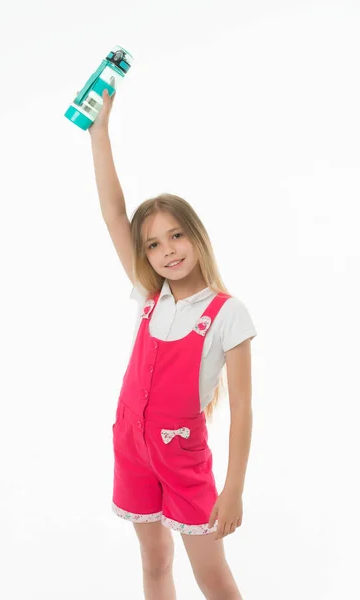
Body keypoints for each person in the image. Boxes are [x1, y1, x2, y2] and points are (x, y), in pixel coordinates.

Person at [88, 88, 257, 600]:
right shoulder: (149, 296)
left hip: (183, 458)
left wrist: (232, 490)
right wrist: (100, 132)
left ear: (197, 237)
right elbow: (115, 216)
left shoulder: (227, 313)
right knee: (155, 563)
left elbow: (245, 408)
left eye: (177, 236)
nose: (167, 251)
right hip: (132, 447)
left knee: (212, 575)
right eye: (154, 244)